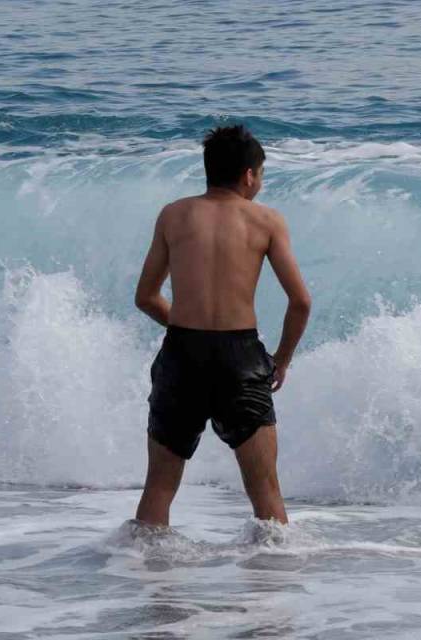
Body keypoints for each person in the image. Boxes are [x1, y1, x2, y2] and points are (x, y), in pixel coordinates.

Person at [132, 125, 312, 526]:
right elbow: (300, 302)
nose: (260, 183)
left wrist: (185, 325)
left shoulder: (174, 215)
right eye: (261, 174)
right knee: (265, 492)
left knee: (159, 487)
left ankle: (142, 565)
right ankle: (273, 567)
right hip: (240, 358)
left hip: (182, 354)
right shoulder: (266, 221)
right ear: (248, 175)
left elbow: (146, 296)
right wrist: (281, 360)